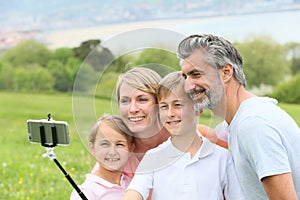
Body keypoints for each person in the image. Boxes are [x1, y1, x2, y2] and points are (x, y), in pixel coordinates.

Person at [178, 34, 300, 199]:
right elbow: (213, 135)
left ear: (226, 72)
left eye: (196, 74)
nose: (188, 86)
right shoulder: (245, 117)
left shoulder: (253, 125)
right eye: (186, 76)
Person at [122, 71, 244, 200]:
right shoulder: (154, 157)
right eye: (164, 106)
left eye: (177, 105)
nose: (170, 113)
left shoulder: (223, 158)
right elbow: (134, 193)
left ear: (198, 108)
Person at [70, 114, 134, 200]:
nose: (112, 152)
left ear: (130, 149)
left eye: (119, 144)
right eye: (105, 144)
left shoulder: (132, 184)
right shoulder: (87, 192)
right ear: (92, 148)